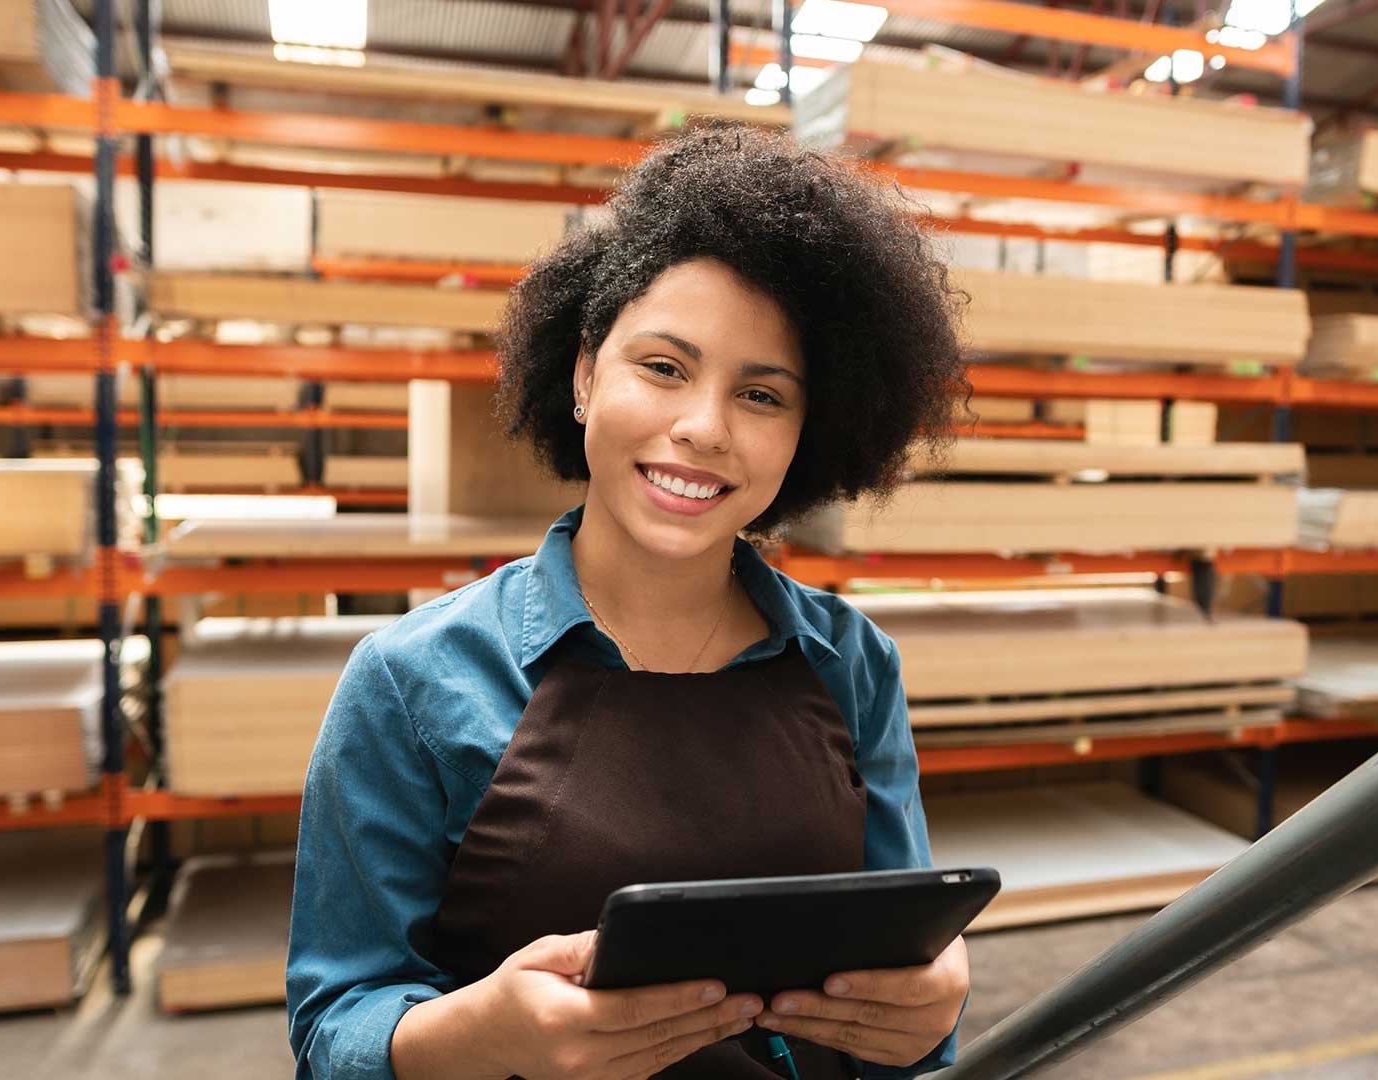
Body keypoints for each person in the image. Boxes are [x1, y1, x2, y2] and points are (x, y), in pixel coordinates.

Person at [285, 123, 974, 1080]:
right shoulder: (412, 683)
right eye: (664, 367)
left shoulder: (851, 664)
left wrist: (928, 1017)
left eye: (763, 395)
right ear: (582, 373)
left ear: (810, 432)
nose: (703, 428)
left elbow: (909, 987)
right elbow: (332, 1034)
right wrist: (485, 1033)